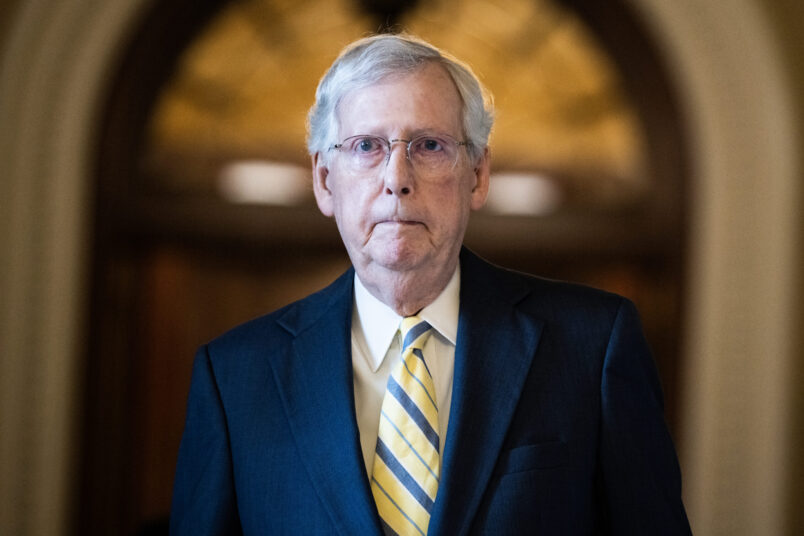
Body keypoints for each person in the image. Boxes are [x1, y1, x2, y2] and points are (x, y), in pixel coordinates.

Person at [170, 34, 691, 535]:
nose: (397, 178)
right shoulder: (234, 378)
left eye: (429, 145)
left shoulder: (593, 346)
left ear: (478, 175)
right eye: (367, 145)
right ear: (324, 180)